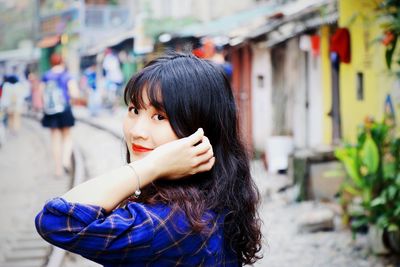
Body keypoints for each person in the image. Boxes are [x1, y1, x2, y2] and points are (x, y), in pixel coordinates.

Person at [35, 52, 262, 266]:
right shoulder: (214, 194)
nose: (137, 131)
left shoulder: (173, 221)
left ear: (201, 129)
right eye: (134, 110)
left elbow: (56, 219)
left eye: (160, 116)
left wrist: (150, 166)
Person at [41, 53, 79, 177]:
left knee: (55, 140)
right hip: (64, 109)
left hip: (51, 111)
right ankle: (65, 160)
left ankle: (58, 170)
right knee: (67, 137)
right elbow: (74, 93)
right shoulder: (66, 75)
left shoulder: (46, 76)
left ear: (51, 62)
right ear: (62, 61)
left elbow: (42, 94)